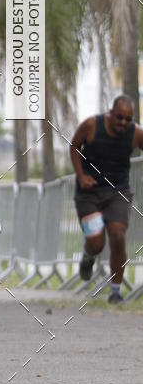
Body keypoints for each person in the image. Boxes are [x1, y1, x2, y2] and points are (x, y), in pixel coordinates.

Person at [70, 94, 143, 304]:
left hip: (118, 192)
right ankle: (88, 255)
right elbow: (74, 146)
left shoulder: (136, 134)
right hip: (89, 193)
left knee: (118, 237)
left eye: (128, 119)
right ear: (110, 113)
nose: (123, 123)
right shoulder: (92, 125)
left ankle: (115, 292)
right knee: (96, 243)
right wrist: (81, 176)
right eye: (119, 117)